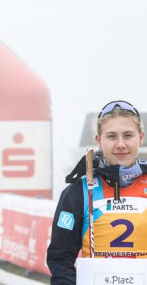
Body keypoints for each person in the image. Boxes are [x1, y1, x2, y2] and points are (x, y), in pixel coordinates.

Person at [47, 100, 147, 284]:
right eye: (111, 136)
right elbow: (60, 258)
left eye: (128, 135)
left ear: (140, 138)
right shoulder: (79, 192)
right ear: (98, 140)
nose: (120, 144)